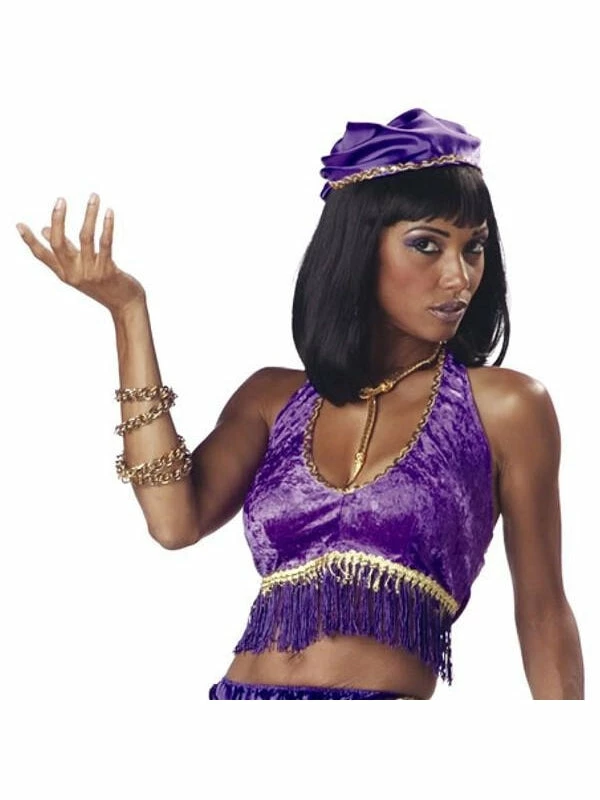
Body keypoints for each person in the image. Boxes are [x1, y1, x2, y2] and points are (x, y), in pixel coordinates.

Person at [15, 108, 584, 700]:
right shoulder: (272, 397)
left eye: (474, 249)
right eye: (426, 245)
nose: (459, 277)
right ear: (359, 249)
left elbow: (543, 613)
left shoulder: (505, 406)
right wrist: (128, 312)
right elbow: (173, 522)